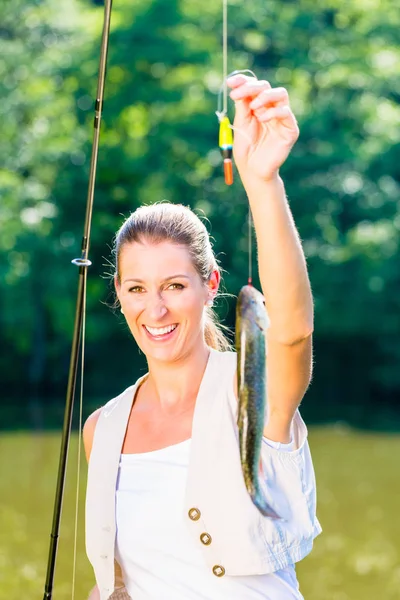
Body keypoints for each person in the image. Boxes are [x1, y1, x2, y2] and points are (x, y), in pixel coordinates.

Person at [83, 73, 322, 600]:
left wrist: (264, 181)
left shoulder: (254, 394)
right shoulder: (101, 429)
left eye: (174, 285)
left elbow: (292, 334)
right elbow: (121, 586)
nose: (156, 308)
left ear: (210, 285)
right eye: (137, 288)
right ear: (119, 294)